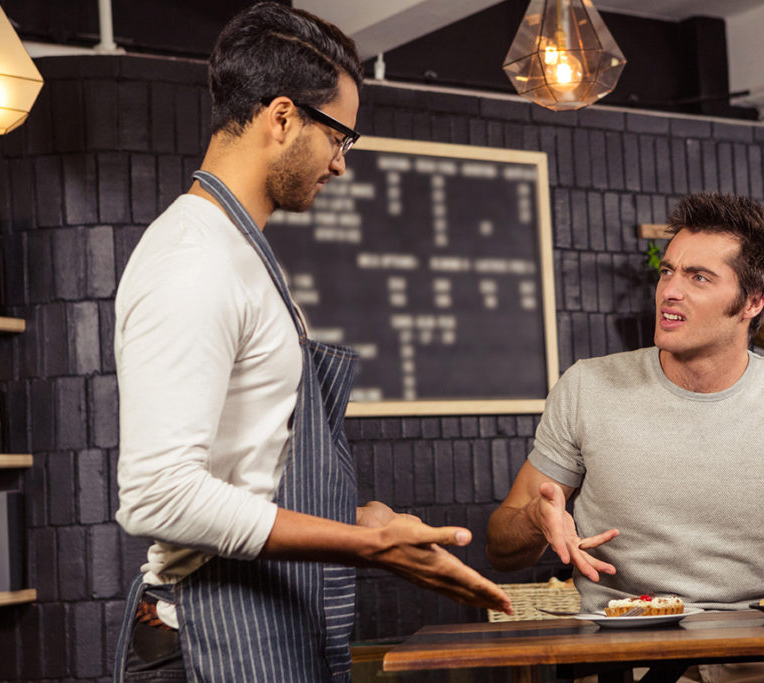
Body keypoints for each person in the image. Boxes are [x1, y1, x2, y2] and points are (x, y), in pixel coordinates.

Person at [112, 4, 511, 681]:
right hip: (209, 632)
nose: (341, 164)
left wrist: (360, 518)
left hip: (264, 618)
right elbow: (158, 494)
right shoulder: (194, 259)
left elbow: (246, 473)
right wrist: (368, 544)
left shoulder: (242, 253)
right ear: (283, 118)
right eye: (340, 138)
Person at [486, 192, 764, 682]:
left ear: (753, 301)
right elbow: (500, 545)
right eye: (668, 272)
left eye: (698, 277)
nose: (669, 291)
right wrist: (538, 519)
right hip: (622, 659)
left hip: (749, 660)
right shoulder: (587, 386)